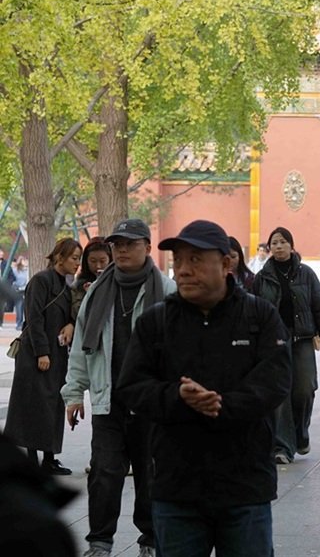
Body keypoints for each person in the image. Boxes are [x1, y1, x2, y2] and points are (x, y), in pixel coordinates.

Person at [116, 220, 291, 557]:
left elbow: (275, 382)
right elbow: (132, 387)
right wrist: (177, 398)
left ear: (227, 264)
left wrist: (222, 405)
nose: (183, 270)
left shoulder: (259, 316)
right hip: (177, 487)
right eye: (178, 260)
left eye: (195, 259)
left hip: (245, 485)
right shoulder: (156, 322)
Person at [61, 218, 175, 557]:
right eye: (117, 244)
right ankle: (100, 541)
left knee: (150, 475)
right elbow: (82, 343)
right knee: (104, 473)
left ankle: (151, 540)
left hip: (151, 402)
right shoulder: (98, 290)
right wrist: (72, 393)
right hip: (108, 399)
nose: (122, 249)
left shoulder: (166, 291)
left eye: (130, 243)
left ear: (147, 246)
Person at [251, 226, 320, 464]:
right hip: (274, 342)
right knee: (281, 393)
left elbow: (319, 307)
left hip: (302, 340)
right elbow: (255, 312)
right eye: (274, 243)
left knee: (305, 388)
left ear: (291, 245)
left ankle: (301, 432)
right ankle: (282, 446)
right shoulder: (262, 277)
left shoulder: (306, 274)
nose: (278, 246)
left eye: (282, 242)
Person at [5, 238, 81, 475]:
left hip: (57, 354)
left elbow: (71, 313)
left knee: (52, 406)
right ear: (60, 257)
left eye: (79, 258)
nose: (77, 263)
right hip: (36, 353)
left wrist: (70, 324)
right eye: (74, 258)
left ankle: (49, 457)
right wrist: (42, 352)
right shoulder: (41, 280)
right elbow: (34, 317)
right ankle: (31, 458)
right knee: (32, 405)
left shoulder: (67, 284)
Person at [71, 238, 112, 321]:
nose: (98, 266)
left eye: (102, 261)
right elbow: (76, 315)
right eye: (93, 261)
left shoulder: (118, 281)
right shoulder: (78, 286)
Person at [12, 255, 30, 330]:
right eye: (23, 260)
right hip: (18, 290)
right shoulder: (15, 270)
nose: (25, 262)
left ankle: (24, 323)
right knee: (19, 307)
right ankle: (18, 323)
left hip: (25, 290)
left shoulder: (26, 270)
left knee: (25, 308)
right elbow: (13, 280)